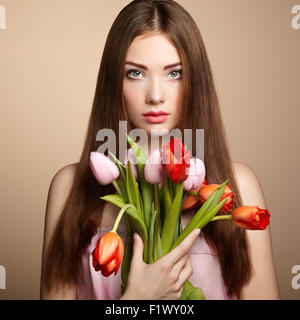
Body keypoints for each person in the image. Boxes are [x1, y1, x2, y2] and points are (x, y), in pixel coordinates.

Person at [40, 0, 280, 300]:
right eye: (135, 74)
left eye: (174, 73)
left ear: (195, 82)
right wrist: (138, 300)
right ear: (113, 82)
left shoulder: (239, 184)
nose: (155, 95)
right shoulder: (68, 188)